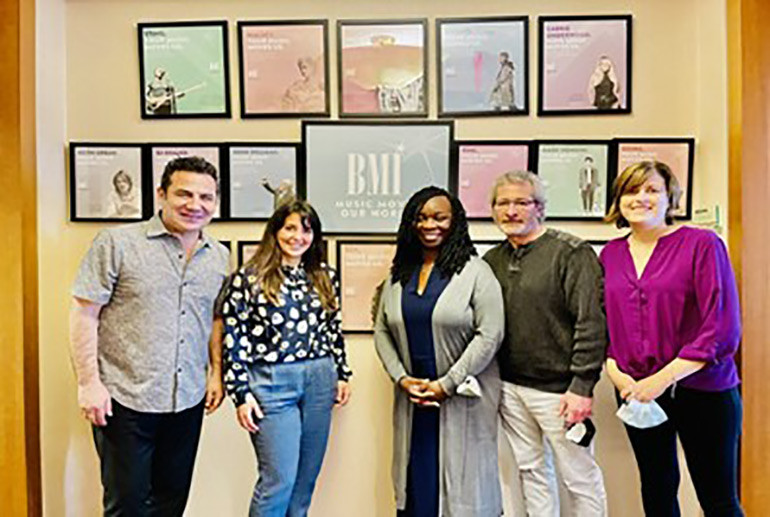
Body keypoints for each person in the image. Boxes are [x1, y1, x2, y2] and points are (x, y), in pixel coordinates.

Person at [69, 156, 230, 516]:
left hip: (186, 399)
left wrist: (215, 374)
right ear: (161, 194)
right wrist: (88, 384)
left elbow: (214, 318)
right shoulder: (118, 244)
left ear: (216, 202)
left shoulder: (219, 256)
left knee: (171, 502)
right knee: (127, 505)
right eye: (183, 194)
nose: (195, 205)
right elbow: (84, 313)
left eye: (206, 197)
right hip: (125, 399)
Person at [600, 161, 744, 517]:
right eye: (632, 191)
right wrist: (619, 377)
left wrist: (661, 380)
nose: (641, 198)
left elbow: (721, 327)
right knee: (658, 490)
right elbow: (605, 325)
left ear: (670, 198)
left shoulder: (702, 245)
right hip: (639, 394)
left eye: (652, 190)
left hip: (704, 390)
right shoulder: (610, 255)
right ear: (619, 200)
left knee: (718, 499)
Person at [374, 186, 505, 517]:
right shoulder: (398, 276)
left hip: (461, 398)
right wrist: (402, 379)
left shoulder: (477, 272)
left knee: (463, 487)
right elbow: (382, 331)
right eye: (421, 217)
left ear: (455, 221)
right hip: (413, 399)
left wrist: (447, 383)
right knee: (416, 484)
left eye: (439, 217)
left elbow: (490, 334)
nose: (429, 225)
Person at [483, 171, 608, 517]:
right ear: (493, 210)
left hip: (561, 393)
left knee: (579, 478)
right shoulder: (491, 260)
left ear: (540, 208)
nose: (511, 211)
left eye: (521, 202)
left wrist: (582, 386)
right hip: (509, 387)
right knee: (530, 472)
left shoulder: (571, 253)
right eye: (503, 203)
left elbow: (592, 322)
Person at [219, 199, 352, 517]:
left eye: (306, 230)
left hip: (320, 379)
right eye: (290, 227)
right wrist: (240, 394)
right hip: (271, 383)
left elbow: (333, 328)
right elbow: (233, 339)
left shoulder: (324, 276)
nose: (298, 237)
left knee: (305, 482)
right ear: (275, 231)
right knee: (278, 481)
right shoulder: (249, 278)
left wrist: (343, 373)